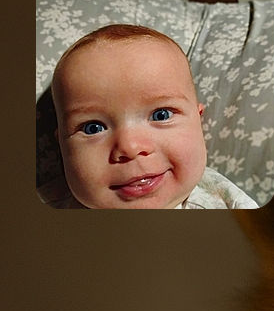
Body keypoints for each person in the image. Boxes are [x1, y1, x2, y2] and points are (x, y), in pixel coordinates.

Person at [42, 24, 258, 209]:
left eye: (160, 115)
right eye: (93, 128)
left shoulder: (227, 204)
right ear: (61, 144)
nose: (130, 147)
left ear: (198, 120)